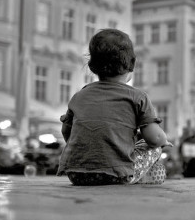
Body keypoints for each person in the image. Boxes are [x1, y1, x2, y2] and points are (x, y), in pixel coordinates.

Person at [57, 29, 172, 186]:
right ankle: (139, 177)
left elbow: (66, 131)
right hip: (117, 175)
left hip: (77, 174)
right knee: (154, 148)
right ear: (132, 64)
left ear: (91, 66)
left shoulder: (79, 96)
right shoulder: (138, 97)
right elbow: (154, 138)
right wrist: (164, 141)